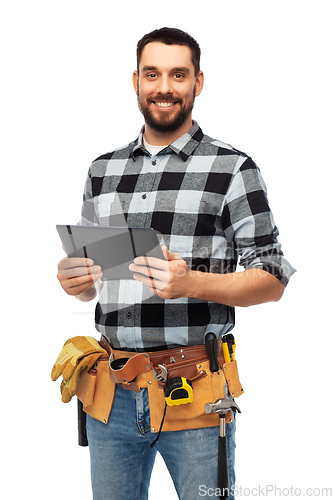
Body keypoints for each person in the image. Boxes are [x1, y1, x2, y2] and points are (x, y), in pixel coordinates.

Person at [56, 27, 295, 500]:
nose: (164, 87)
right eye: (153, 74)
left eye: (178, 75)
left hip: (197, 395)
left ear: (198, 83)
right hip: (112, 395)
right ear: (136, 81)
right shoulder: (102, 170)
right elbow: (91, 276)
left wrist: (193, 282)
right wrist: (75, 279)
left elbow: (272, 278)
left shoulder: (233, 168)